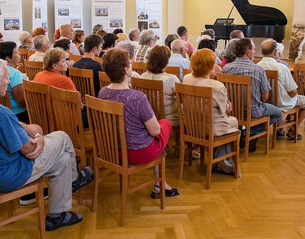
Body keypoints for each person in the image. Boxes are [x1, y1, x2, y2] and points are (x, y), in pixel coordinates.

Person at [0, 58, 92, 231]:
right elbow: (30, 150)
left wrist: (32, 131)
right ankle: (74, 179)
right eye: (7, 78)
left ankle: (57, 216)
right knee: (62, 137)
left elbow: (10, 125)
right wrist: (40, 138)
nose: (8, 81)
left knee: (63, 160)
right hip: (6, 176)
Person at [98, 48, 178, 199]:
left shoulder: (103, 93)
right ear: (126, 70)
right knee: (165, 124)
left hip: (113, 149)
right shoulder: (137, 97)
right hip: (138, 152)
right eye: (129, 63)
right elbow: (155, 131)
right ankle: (160, 183)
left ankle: (160, 183)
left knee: (154, 129)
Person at [182, 48, 238, 174]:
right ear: (211, 66)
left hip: (191, 126)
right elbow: (225, 110)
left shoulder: (186, 78)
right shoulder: (216, 86)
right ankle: (223, 162)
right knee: (233, 121)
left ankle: (220, 161)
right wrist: (228, 107)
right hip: (210, 128)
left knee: (222, 121)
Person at [222, 38, 283, 151]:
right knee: (278, 113)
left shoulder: (226, 68)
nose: (255, 52)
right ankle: (252, 133)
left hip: (232, 109)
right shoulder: (258, 70)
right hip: (253, 111)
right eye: (254, 50)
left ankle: (245, 132)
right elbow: (265, 97)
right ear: (247, 51)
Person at [257, 39, 305, 140]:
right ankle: (293, 130)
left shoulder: (257, 66)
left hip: (265, 102)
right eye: (278, 51)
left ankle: (280, 129)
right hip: (282, 103)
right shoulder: (282, 67)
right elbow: (292, 92)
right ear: (274, 52)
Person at [140, 45, 179, 126]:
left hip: (148, 117)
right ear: (166, 61)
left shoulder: (143, 76)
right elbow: (182, 99)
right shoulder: (171, 79)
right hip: (168, 119)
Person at [0, 41, 29, 123]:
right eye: (17, 53)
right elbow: (22, 101)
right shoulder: (14, 74)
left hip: (2, 112)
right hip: (18, 114)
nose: (20, 53)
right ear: (8, 58)